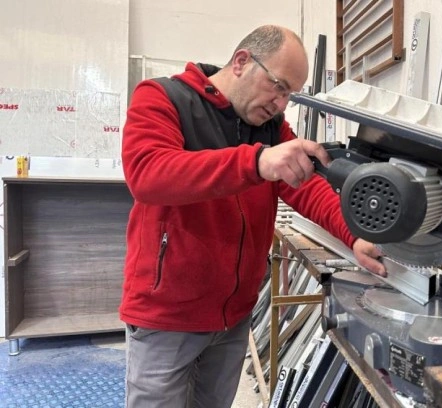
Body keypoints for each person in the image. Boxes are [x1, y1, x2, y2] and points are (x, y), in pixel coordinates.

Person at [119, 25, 386, 407]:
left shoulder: (271, 128)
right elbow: (149, 174)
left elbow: (305, 186)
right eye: (278, 87)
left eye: (290, 95)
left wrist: (354, 234)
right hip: (167, 317)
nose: (281, 104)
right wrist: (256, 161)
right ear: (242, 62)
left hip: (233, 318)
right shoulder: (163, 97)